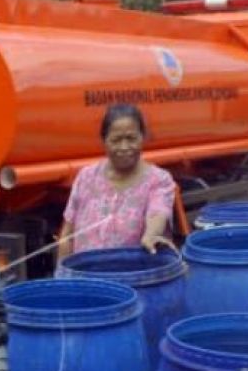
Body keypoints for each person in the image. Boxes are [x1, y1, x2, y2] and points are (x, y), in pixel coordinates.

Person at [58, 103, 177, 260]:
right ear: (104, 140)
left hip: (131, 280)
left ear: (143, 137)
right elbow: (67, 236)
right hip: (85, 279)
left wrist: (151, 236)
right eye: (116, 140)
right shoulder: (86, 177)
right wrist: (61, 278)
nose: (124, 147)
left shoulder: (159, 180)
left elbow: (158, 213)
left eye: (131, 138)